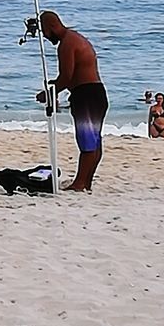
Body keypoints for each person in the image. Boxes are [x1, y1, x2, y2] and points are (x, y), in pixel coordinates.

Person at [36, 10, 107, 192]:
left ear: (52, 26)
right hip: (96, 93)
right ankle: (86, 182)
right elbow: (70, 76)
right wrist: (55, 86)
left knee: (87, 141)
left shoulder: (67, 44)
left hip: (86, 94)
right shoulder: (76, 38)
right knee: (94, 140)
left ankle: (80, 183)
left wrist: (48, 93)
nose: (44, 36)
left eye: (44, 31)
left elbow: (66, 77)